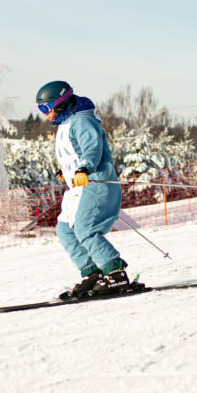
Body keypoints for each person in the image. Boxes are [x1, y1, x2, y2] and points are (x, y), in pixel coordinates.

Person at [35, 80, 137, 299]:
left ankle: (115, 272)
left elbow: (92, 148)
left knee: (85, 229)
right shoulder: (66, 123)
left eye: (45, 108)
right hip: (78, 186)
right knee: (65, 230)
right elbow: (73, 152)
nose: (45, 114)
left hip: (96, 181)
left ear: (60, 103)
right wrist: (68, 171)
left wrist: (84, 168)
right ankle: (94, 272)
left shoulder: (82, 120)